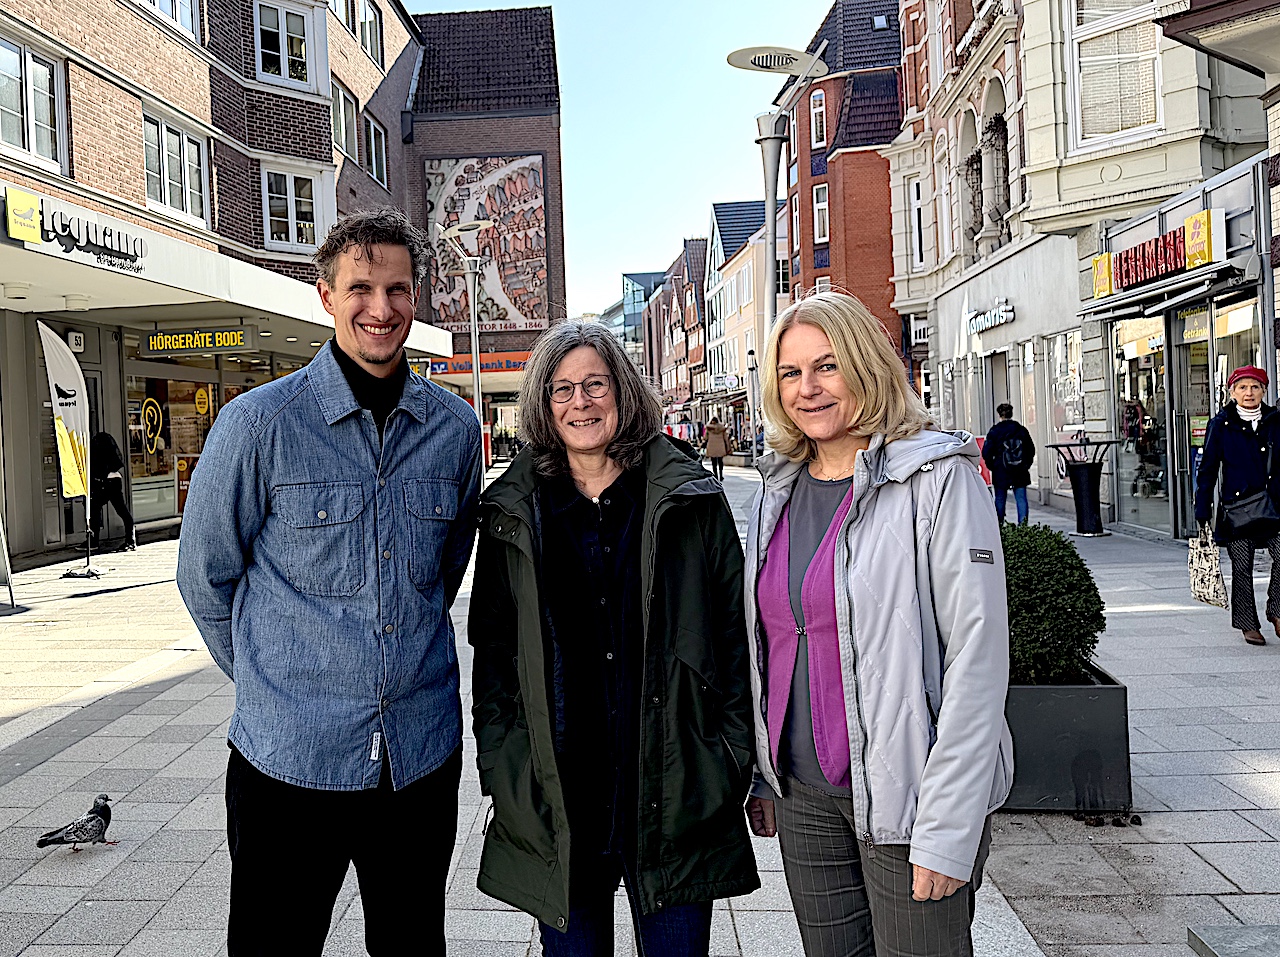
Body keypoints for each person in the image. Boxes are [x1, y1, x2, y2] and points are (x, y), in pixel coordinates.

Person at [176, 208, 483, 956]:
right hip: (288, 762)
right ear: (325, 295)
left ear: (416, 296)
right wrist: (276, 679)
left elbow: (441, 574)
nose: (381, 308)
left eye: (398, 289)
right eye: (361, 288)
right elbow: (204, 575)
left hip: (415, 760)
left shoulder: (455, 429)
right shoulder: (258, 425)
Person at [469, 320, 759, 955]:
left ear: (623, 393)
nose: (581, 402)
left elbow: (735, 639)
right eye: (563, 389)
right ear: (544, 404)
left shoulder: (689, 499)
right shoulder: (514, 512)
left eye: (595, 385)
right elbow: (492, 657)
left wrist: (728, 758)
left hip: (675, 793)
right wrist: (506, 773)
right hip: (560, 803)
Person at [743, 292, 1014, 957]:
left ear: (866, 365)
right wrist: (763, 772)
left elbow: (978, 658)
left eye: (827, 366)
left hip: (910, 799)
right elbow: (768, 645)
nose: (807, 388)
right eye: (790, 372)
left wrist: (949, 825)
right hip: (804, 797)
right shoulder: (777, 490)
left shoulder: (937, 479)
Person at [1194, 365, 1280, 647]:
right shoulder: (1221, 424)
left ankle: (1277, 609)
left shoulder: (1275, 421)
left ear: (1264, 391)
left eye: (1255, 387)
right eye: (1242, 387)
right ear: (1232, 392)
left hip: (1273, 507)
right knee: (1242, 566)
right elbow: (1208, 469)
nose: (1249, 393)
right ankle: (1248, 623)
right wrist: (1202, 508)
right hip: (1237, 510)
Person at [982, 403, 1036, 524]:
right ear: (1011, 414)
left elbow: (986, 452)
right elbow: (1030, 450)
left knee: (1000, 499)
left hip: (1001, 470)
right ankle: (1023, 527)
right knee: (1021, 499)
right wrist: (1026, 465)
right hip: (1020, 470)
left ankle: (999, 525)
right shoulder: (1021, 430)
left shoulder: (995, 431)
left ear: (999, 415)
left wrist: (992, 466)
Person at [89, 431, 135, 550]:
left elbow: (97, 467)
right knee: (122, 510)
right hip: (115, 480)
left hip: (105, 481)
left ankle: (94, 541)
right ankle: (130, 540)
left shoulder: (96, 447)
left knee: (94, 509)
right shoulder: (112, 451)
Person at [704, 416, 730, 480]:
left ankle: (715, 475)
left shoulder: (709, 428)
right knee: (720, 461)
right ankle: (721, 475)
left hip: (711, 446)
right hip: (720, 446)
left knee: (714, 462)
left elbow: (705, 438)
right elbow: (725, 438)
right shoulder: (722, 428)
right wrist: (728, 446)